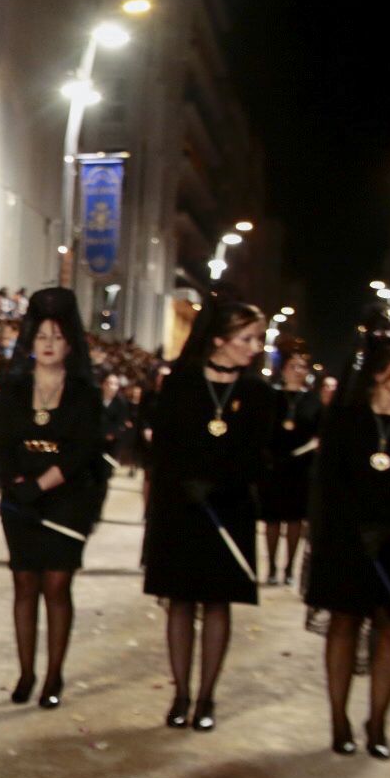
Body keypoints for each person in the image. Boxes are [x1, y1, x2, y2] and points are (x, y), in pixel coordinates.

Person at [142, 297, 277, 732]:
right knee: (180, 601)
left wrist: (219, 484)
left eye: (257, 338)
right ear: (218, 339)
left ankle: (206, 697)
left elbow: (260, 455)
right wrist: (184, 482)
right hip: (180, 507)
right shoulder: (181, 383)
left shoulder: (258, 394)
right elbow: (163, 445)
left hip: (229, 508)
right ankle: (180, 693)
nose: (255, 347)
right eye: (247, 338)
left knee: (218, 602)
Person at [304, 331, 390, 759]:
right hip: (347, 539)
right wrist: (353, 527)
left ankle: (377, 721)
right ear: (379, 372)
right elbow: (329, 482)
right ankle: (339, 718)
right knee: (344, 622)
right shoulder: (346, 419)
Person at [0, 289, 103, 708]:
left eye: (57, 337)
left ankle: (54, 675)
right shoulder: (14, 388)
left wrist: (39, 484)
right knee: (24, 583)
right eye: (41, 336)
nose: (48, 344)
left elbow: (80, 451)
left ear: (70, 344)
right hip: (20, 499)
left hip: (67, 499)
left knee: (56, 585)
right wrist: (16, 484)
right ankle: (25, 673)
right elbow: (3, 442)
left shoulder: (84, 394)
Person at [260, 344, 318, 585]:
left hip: (300, 468)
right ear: (283, 370)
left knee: (295, 520)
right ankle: (272, 567)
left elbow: (319, 431)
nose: (297, 371)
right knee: (272, 519)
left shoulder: (313, 401)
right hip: (275, 465)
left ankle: (290, 569)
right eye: (292, 366)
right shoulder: (272, 398)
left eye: (302, 367)